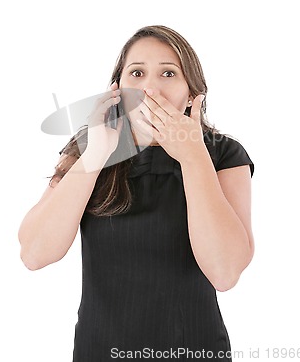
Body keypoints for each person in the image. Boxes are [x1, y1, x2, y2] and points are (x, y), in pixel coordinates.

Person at [18, 25, 255, 361]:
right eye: (137, 73)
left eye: (169, 73)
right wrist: (98, 153)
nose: (150, 87)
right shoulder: (90, 147)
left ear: (191, 94)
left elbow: (225, 272)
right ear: (119, 89)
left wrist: (193, 157)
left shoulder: (223, 155)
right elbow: (34, 254)